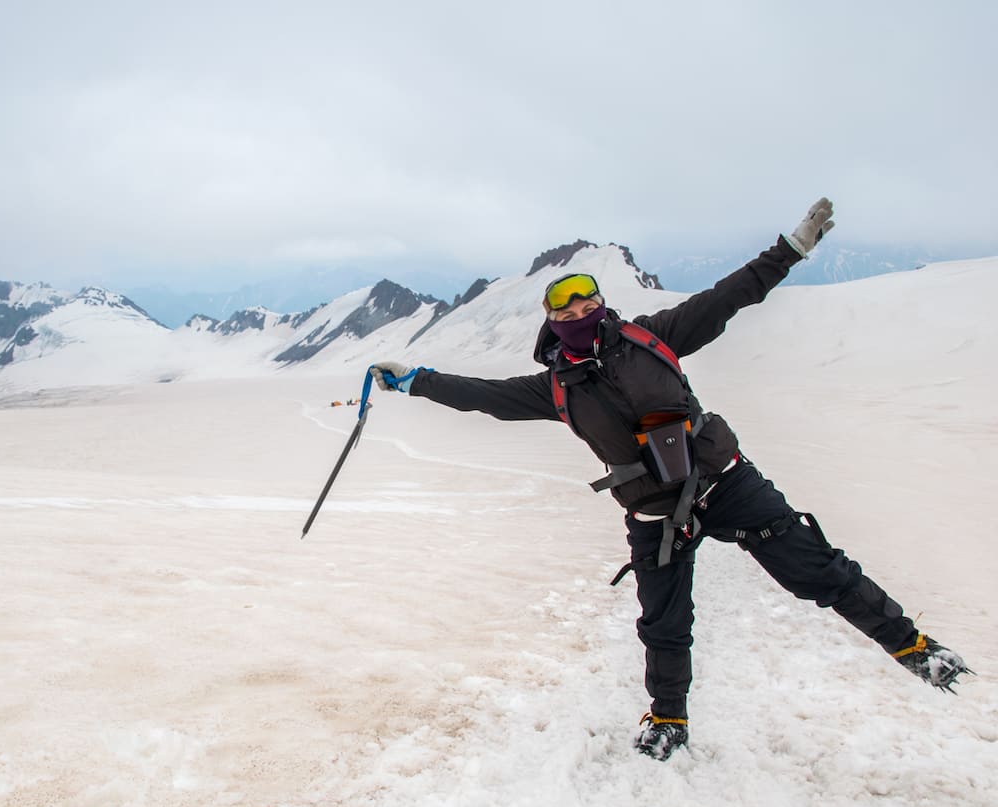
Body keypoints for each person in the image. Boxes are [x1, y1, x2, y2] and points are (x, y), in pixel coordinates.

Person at [369, 199, 972, 761]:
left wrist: (790, 248)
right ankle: (669, 719)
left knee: (817, 568)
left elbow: (730, 296)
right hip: (656, 510)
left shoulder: (655, 336)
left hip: (724, 481)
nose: (582, 316)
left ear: (601, 306)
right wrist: (416, 379)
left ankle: (914, 648)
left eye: (589, 306)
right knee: (663, 621)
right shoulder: (551, 387)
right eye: (568, 312)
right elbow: (482, 396)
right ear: (552, 323)